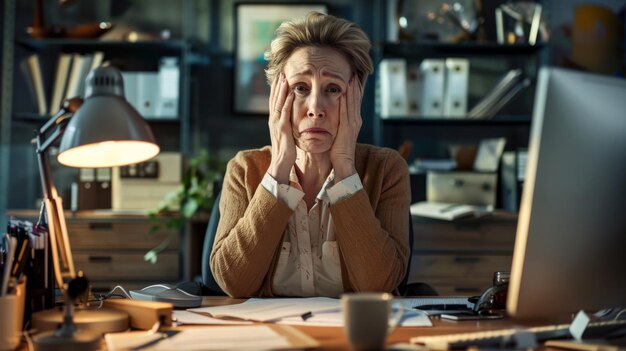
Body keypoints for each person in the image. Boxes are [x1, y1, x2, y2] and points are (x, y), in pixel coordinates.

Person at [211, 11, 410, 298]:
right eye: (301, 88)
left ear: (355, 97)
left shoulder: (386, 169)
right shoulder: (245, 168)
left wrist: (345, 170)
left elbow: (379, 285)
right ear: (278, 97)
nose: (315, 107)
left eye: (333, 89)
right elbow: (233, 282)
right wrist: (279, 167)